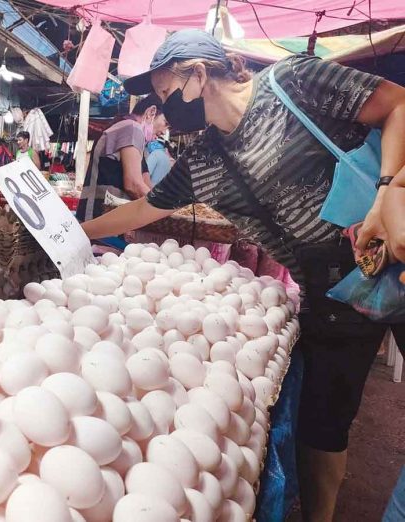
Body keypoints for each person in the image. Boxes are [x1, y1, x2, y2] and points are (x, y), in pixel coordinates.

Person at [81, 29, 405, 522]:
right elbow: (144, 208)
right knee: (323, 428)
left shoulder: (293, 81)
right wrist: (73, 231)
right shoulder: (204, 159)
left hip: (397, 251)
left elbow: (397, 104)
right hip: (333, 296)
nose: (166, 108)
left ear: (198, 73)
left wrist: (386, 192)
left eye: (168, 93)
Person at [76, 94, 166, 222]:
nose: (164, 132)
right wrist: (163, 210)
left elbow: (145, 184)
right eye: (165, 123)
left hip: (99, 217)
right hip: (100, 218)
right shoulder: (132, 128)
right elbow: (134, 185)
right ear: (151, 112)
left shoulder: (130, 133)